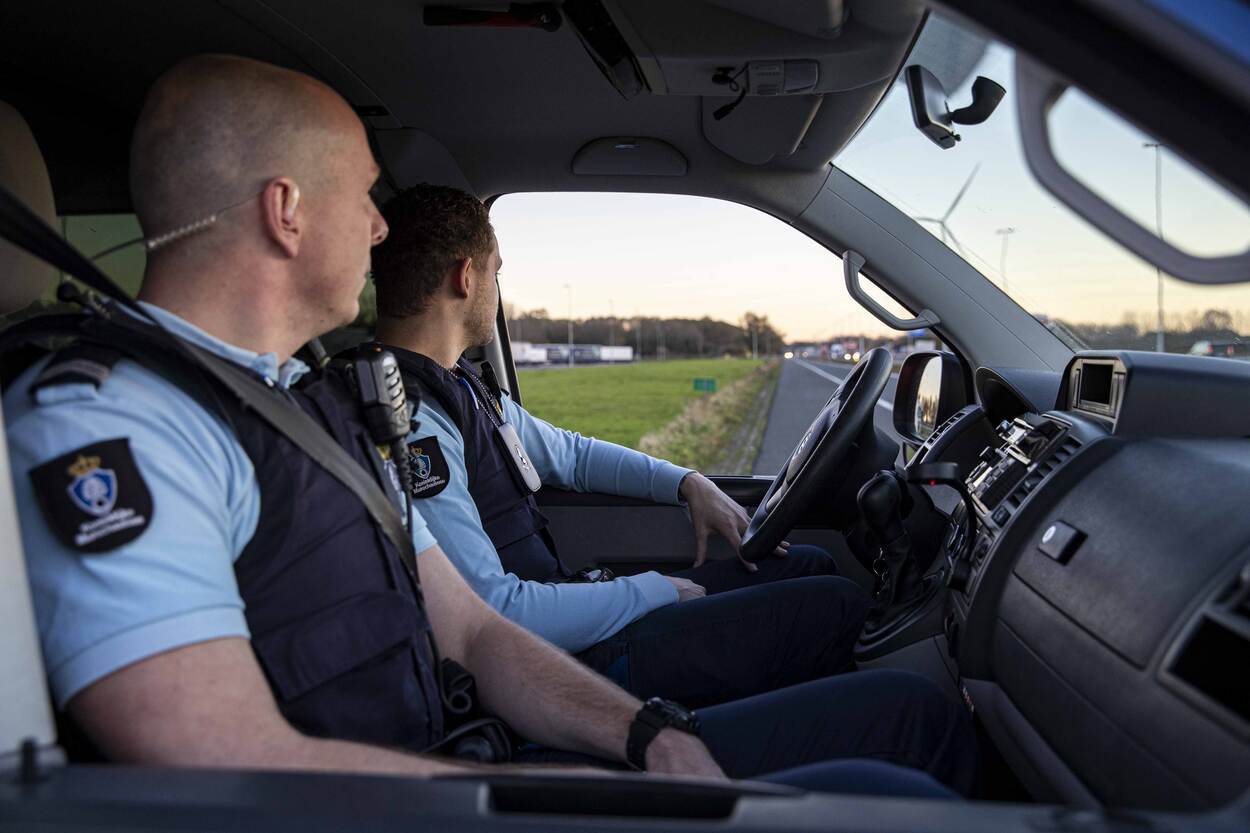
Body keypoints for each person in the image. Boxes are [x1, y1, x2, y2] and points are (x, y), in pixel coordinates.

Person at [3, 54, 974, 796]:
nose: (380, 230)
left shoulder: (313, 403)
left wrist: (647, 733)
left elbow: (471, 627)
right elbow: (211, 760)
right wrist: (517, 792)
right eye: (363, 195)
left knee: (900, 718)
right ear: (286, 211)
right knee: (900, 764)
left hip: (467, 757)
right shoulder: (109, 422)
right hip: (421, 798)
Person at [369, 184, 870, 707]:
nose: (497, 287)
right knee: (835, 607)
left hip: (571, 618)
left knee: (807, 564)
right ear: (466, 277)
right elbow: (493, 612)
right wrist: (652, 590)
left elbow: (572, 455)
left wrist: (687, 482)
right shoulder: (410, 420)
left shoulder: (461, 387)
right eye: (496, 271)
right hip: (559, 664)